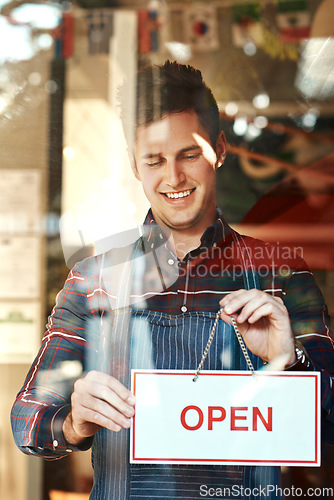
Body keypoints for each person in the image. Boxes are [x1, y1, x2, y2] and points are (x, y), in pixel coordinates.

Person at [11, 61, 334, 499]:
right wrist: (73, 420)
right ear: (134, 165)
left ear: (219, 149)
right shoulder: (95, 281)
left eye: (188, 154)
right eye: (154, 160)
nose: (174, 178)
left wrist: (289, 364)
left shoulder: (283, 276)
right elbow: (28, 419)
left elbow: (329, 425)